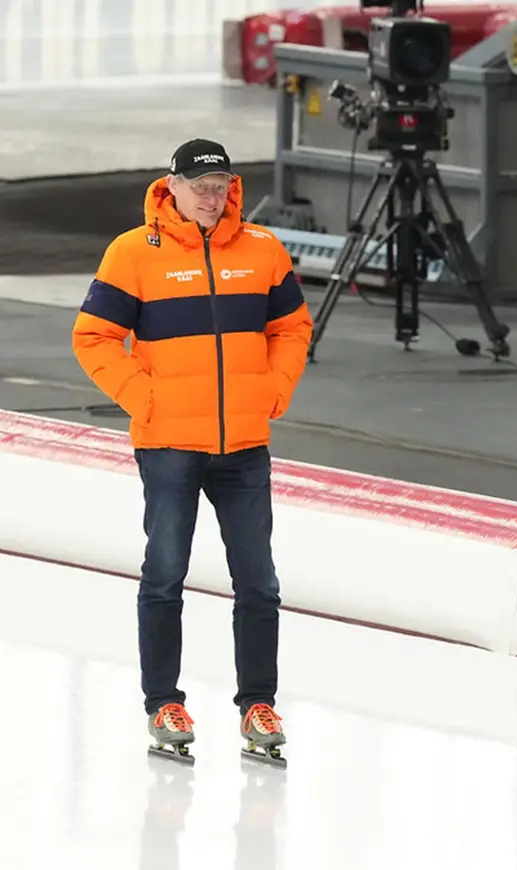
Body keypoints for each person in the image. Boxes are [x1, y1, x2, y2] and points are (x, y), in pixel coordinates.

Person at [71, 138, 314, 760]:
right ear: (171, 186)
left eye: (221, 185)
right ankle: (164, 703)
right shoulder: (133, 252)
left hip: (244, 449)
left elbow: (290, 327)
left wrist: (273, 389)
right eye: (199, 185)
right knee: (165, 575)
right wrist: (143, 398)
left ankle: (258, 704)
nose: (211, 197)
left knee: (259, 583)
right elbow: (95, 337)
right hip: (169, 445)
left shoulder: (262, 249)